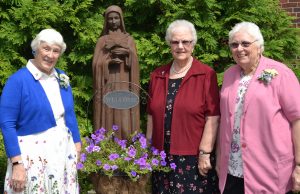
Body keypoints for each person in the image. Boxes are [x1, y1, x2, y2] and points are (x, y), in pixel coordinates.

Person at [217, 21, 300, 194]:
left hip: (269, 172)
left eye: (245, 43)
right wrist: (219, 159)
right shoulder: (229, 75)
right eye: (234, 44)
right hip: (233, 170)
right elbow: (225, 120)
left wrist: (299, 164)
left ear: (260, 46)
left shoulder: (281, 73)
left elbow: (297, 119)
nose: (239, 49)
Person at [0, 29, 81, 193]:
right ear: (36, 49)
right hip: (31, 158)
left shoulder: (62, 77)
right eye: (46, 48)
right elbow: (7, 123)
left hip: (62, 154)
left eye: (56, 51)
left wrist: (77, 146)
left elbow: (69, 114)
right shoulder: (18, 80)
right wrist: (17, 164)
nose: (50, 55)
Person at [147, 19, 220, 194]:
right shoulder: (157, 75)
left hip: (192, 159)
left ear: (193, 44)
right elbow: (151, 115)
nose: (180, 46)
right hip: (161, 157)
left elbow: (213, 116)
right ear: (169, 45)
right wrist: (148, 149)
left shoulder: (205, 74)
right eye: (175, 42)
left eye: (185, 41)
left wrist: (205, 153)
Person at [92, 5, 140, 139]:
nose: (113, 21)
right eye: (110, 19)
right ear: (106, 21)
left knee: (124, 113)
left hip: (125, 83)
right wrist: (108, 62)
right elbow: (96, 64)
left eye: (116, 18)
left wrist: (128, 53)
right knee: (108, 111)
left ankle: (127, 142)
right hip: (108, 84)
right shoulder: (102, 41)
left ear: (121, 20)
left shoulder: (129, 40)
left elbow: (135, 63)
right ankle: (106, 142)